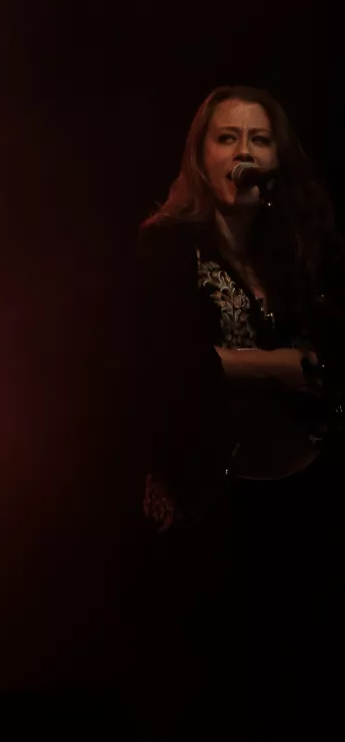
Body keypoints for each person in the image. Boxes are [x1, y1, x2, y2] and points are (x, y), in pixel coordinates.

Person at [132, 84, 343, 734]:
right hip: (210, 505)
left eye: (259, 138)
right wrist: (274, 365)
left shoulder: (294, 252)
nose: (244, 153)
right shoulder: (167, 247)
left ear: (280, 157)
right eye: (228, 138)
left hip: (298, 495)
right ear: (201, 155)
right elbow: (164, 366)